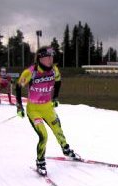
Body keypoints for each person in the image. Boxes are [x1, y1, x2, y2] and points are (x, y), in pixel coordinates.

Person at [15, 46, 79, 176]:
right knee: (43, 136)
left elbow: (58, 82)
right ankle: (40, 162)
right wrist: (19, 106)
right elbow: (18, 86)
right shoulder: (30, 72)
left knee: (58, 129)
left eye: (52, 57)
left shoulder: (54, 70)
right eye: (47, 57)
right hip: (34, 110)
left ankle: (66, 149)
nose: (50, 60)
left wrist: (55, 97)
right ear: (40, 59)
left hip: (47, 107)